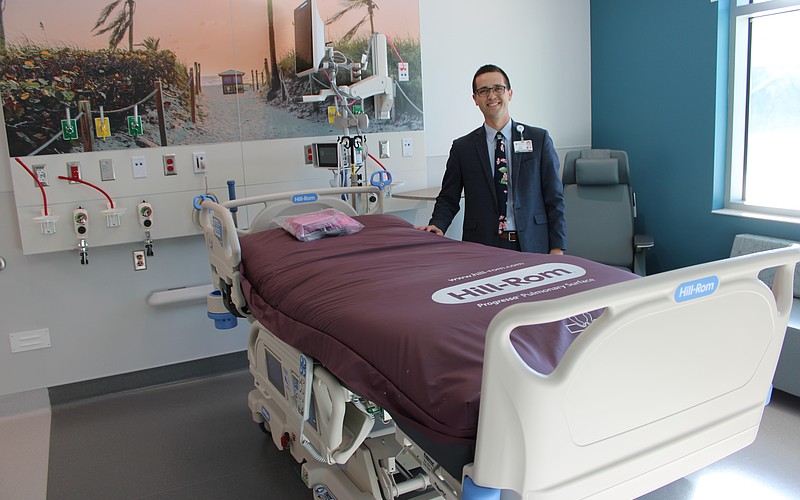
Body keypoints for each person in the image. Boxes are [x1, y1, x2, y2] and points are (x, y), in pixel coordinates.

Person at [417, 64, 566, 254]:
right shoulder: (463, 148)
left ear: (509, 93)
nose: (492, 96)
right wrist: (437, 224)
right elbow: (448, 197)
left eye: (498, 89)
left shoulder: (538, 139)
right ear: (475, 99)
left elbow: (554, 197)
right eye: (484, 91)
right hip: (482, 245)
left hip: (533, 243)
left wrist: (557, 246)